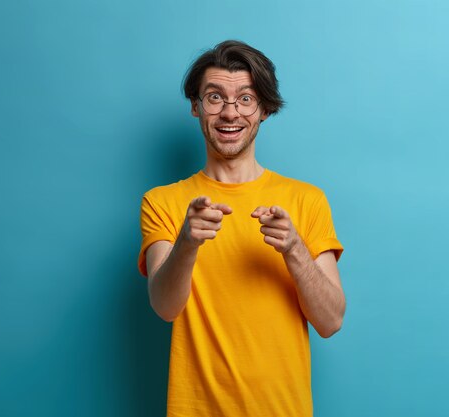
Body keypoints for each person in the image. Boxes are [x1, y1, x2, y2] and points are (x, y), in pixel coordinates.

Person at [138, 40, 346, 417]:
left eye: (246, 99)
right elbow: (165, 308)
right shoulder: (163, 202)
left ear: (265, 108)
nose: (230, 113)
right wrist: (187, 242)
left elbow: (331, 321)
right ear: (196, 106)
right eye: (214, 97)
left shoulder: (307, 200)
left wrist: (295, 250)